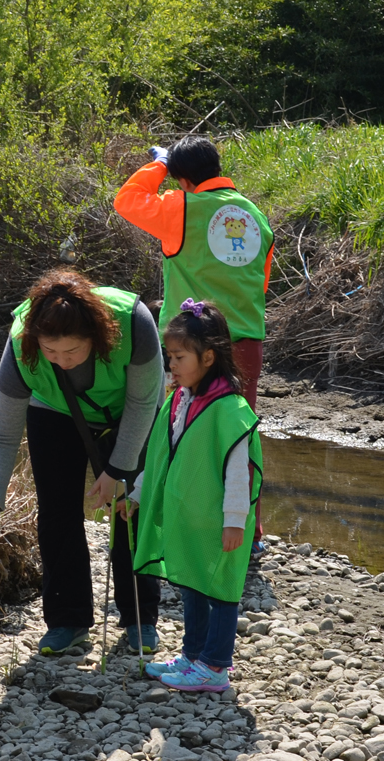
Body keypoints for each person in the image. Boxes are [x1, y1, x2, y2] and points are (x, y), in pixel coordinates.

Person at [0, 270, 164, 656]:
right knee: (56, 512)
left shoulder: (133, 323)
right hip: (55, 411)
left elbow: (145, 402)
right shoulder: (20, 343)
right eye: (51, 352)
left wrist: (116, 471)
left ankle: (140, 617)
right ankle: (67, 620)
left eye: (72, 352)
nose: (61, 362)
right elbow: (2, 434)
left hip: (129, 413)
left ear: (96, 336)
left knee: (131, 508)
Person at [113, 135, 272, 541]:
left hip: (192, 340)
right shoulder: (255, 216)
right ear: (217, 167)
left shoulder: (178, 206)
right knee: (237, 431)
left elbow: (127, 200)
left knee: (178, 429)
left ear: (183, 179)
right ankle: (245, 529)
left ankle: (177, 523)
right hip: (246, 340)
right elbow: (262, 280)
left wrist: (159, 165)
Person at [126, 300, 263, 692]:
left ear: (208, 357)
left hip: (218, 520)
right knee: (191, 585)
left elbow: (239, 472)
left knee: (219, 590)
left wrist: (236, 520)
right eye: (170, 356)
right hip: (189, 518)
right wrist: (136, 495)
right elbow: (160, 456)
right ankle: (192, 656)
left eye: (179, 356)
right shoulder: (179, 399)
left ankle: (215, 667)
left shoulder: (230, 409)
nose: (172, 364)